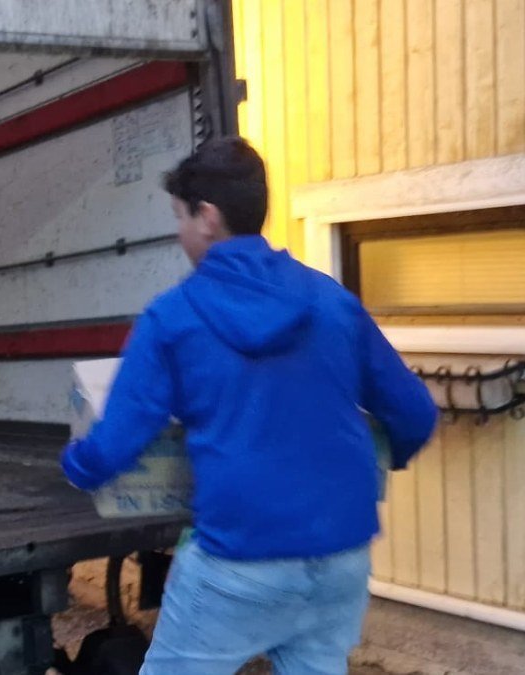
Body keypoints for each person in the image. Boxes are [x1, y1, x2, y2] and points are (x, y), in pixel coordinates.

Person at [61, 137, 438, 674]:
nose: (179, 233)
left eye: (180, 217)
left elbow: (118, 440)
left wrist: (76, 466)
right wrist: (386, 455)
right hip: (341, 559)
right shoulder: (331, 301)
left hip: (239, 561)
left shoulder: (174, 317)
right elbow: (415, 413)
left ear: (208, 217)